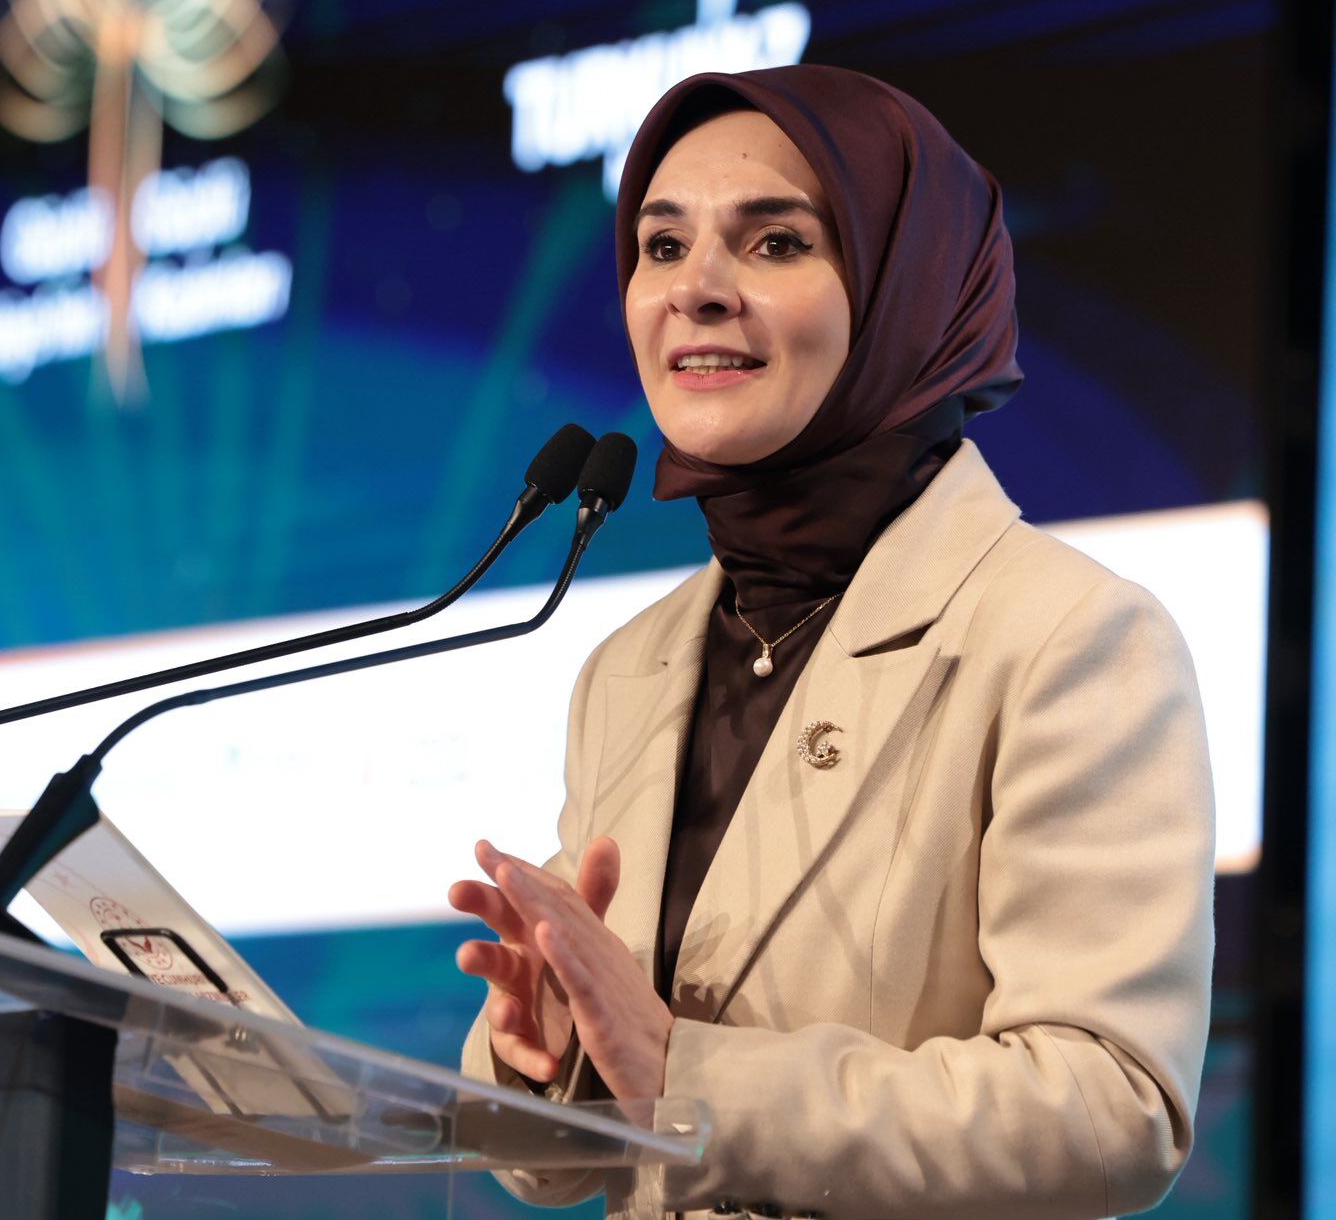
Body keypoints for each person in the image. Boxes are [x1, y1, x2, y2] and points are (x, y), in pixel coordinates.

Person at [450, 64, 1215, 1219]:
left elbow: (1112, 1108)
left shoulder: (1068, 636)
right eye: (660, 246)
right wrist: (546, 1053)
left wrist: (684, 1077)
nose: (693, 290)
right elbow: (560, 1164)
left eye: (774, 243)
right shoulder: (627, 669)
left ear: (911, 287)